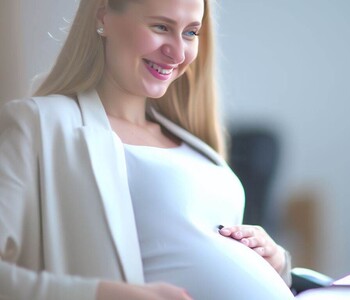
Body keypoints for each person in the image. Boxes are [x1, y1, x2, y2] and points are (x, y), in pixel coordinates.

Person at [0, 0, 294, 299]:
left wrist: (277, 261)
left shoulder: (192, 141)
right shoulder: (38, 124)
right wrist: (105, 294)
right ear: (103, 14)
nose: (178, 53)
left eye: (191, 33)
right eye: (161, 27)